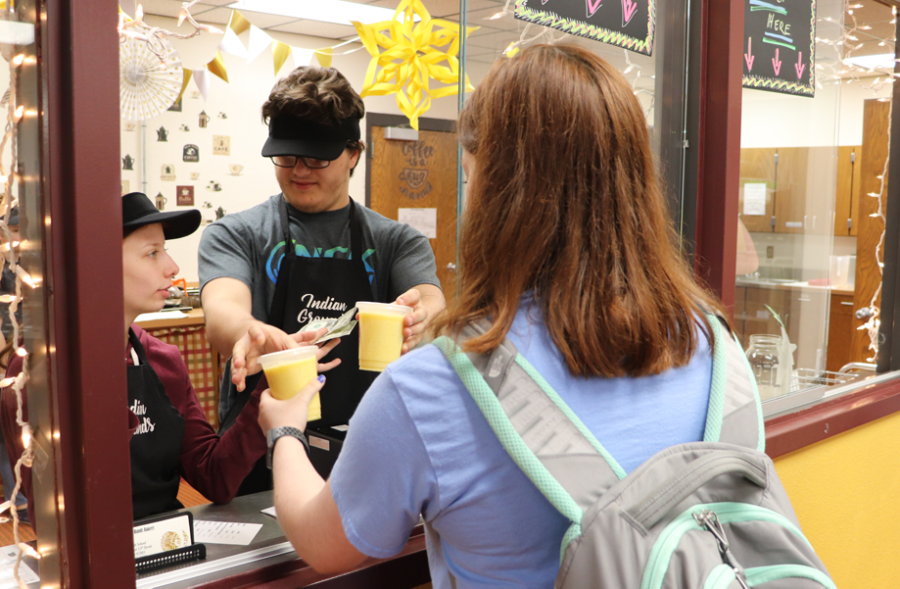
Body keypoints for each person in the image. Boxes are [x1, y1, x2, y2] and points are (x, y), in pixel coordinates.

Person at [256, 44, 731, 587]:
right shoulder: (715, 347)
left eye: (468, 174)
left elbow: (323, 545)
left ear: (499, 192)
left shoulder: (432, 388)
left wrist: (285, 432)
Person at [0, 192, 338, 524]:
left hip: (171, 549)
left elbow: (215, 477)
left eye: (166, 251)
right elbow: (55, 515)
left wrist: (274, 376)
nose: (172, 267)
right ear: (95, 265)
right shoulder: (38, 372)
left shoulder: (163, 360)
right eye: (152, 253)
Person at [198, 66, 444, 479]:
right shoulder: (236, 234)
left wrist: (424, 318)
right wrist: (251, 333)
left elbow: (430, 300)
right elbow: (223, 309)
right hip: (261, 455)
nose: (299, 170)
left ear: (353, 154)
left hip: (367, 452)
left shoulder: (396, 242)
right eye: (287, 156)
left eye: (316, 157)